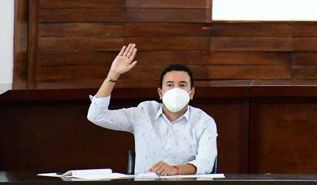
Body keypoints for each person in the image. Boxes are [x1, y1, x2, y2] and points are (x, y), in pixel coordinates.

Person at [87, 43, 218, 175]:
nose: (176, 90)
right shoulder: (143, 112)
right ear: (160, 93)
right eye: (170, 85)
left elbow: (206, 162)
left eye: (182, 85)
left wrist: (176, 170)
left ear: (192, 92)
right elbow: (96, 115)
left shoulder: (204, 121)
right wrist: (113, 75)